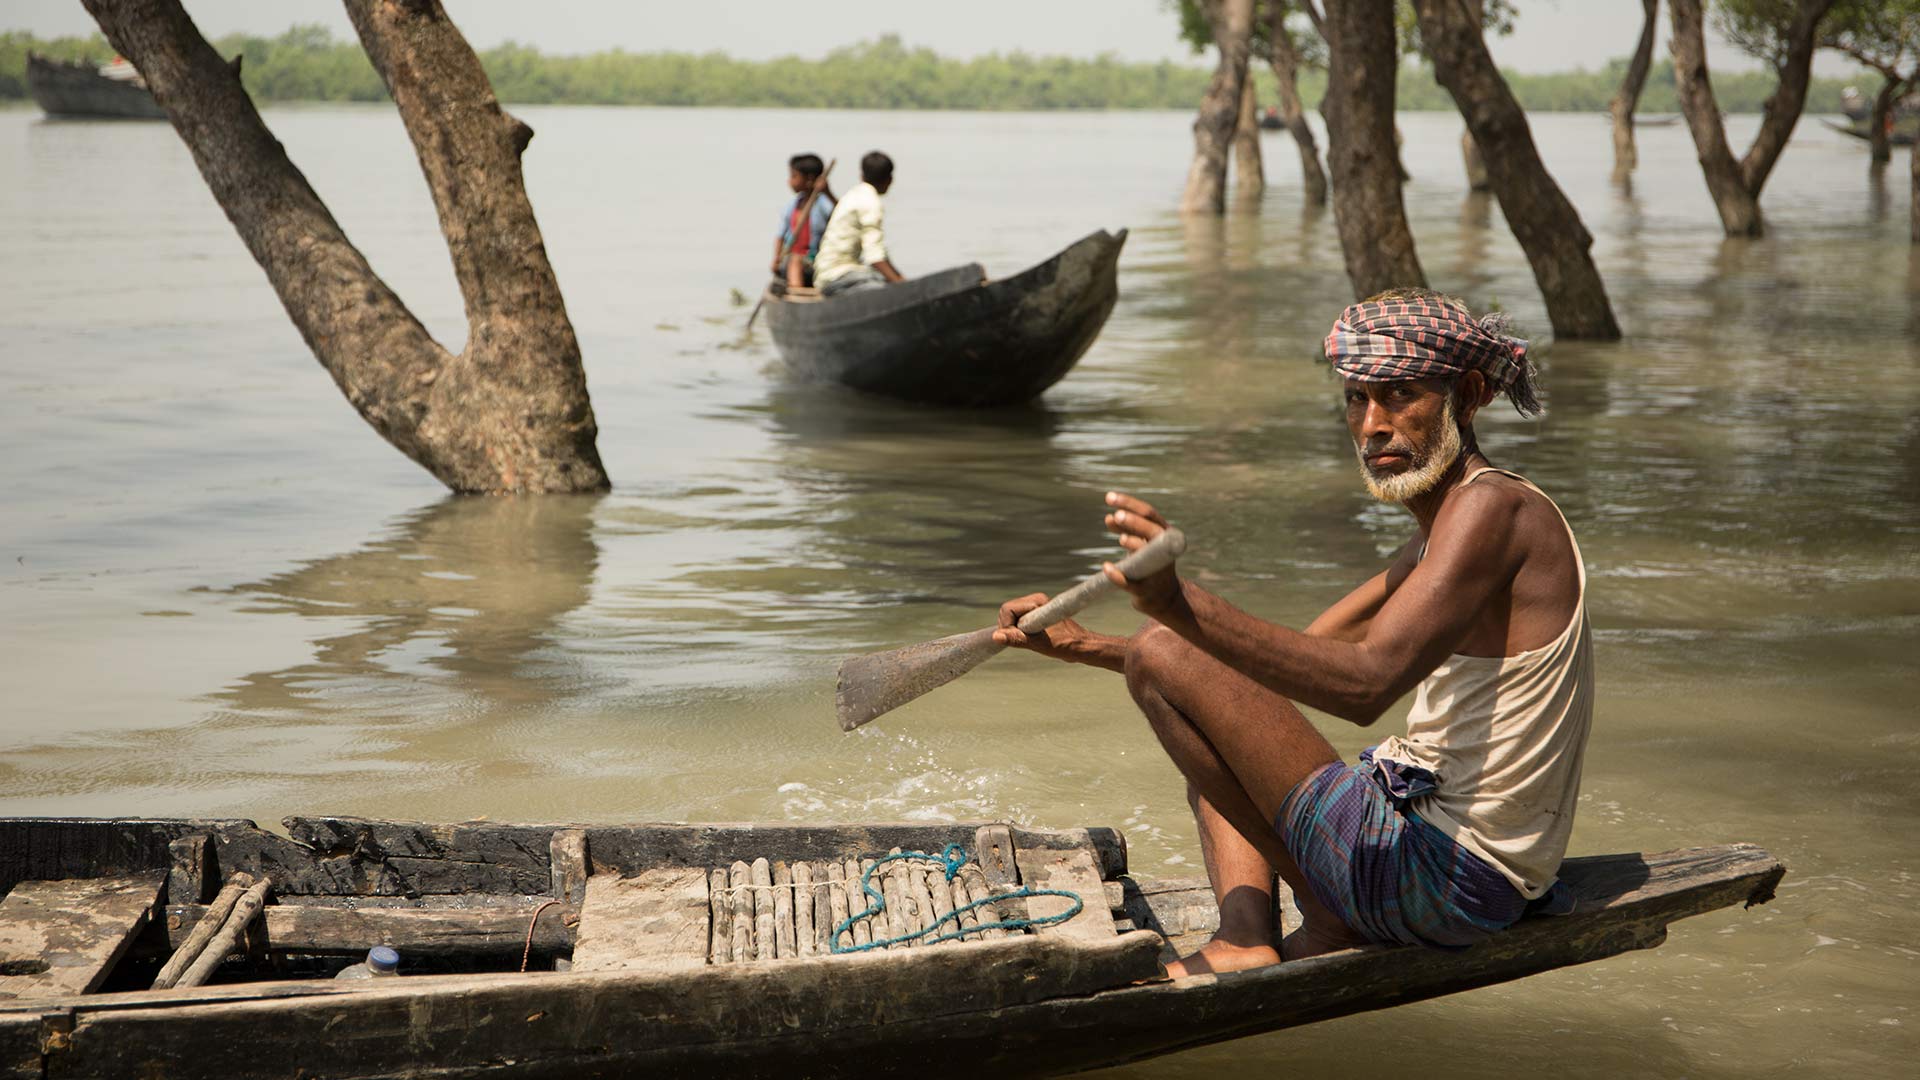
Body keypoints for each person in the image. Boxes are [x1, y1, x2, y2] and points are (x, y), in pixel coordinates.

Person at [993, 289, 1593, 976]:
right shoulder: (1451, 524)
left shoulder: (1492, 513)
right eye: (1356, 400)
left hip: (1446, 883)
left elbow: (1365, 683)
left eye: (1400, 396)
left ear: (1471, 395)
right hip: (1453, 872)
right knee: (1209, 713)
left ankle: (1282, 930)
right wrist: (1085, 647)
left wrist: (1176, 605)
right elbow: (1275, 669)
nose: (1372, 425)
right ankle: (1253, 935)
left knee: (1171, 657)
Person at [814, 151, 905, 297]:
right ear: (890, 179)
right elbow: (875, 257)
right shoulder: (871, 203)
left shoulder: (853, 194)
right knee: (885, 290)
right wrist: (903, 289)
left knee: (885, 280)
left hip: (827, 272)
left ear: (861, 176)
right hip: (837, 276)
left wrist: (900, 279)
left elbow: (880, 253)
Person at [773, 154, 835, 288]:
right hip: (791, 261)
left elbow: (840, 214)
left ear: (809, 179)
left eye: (794, 176)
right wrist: (776, 259)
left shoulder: (823, 203)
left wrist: (828, 192)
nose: (790, 181)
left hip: (816, 261)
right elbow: (780, 236)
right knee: (795, 260)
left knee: (797, 261)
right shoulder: (792, 206)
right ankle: (796, 291)